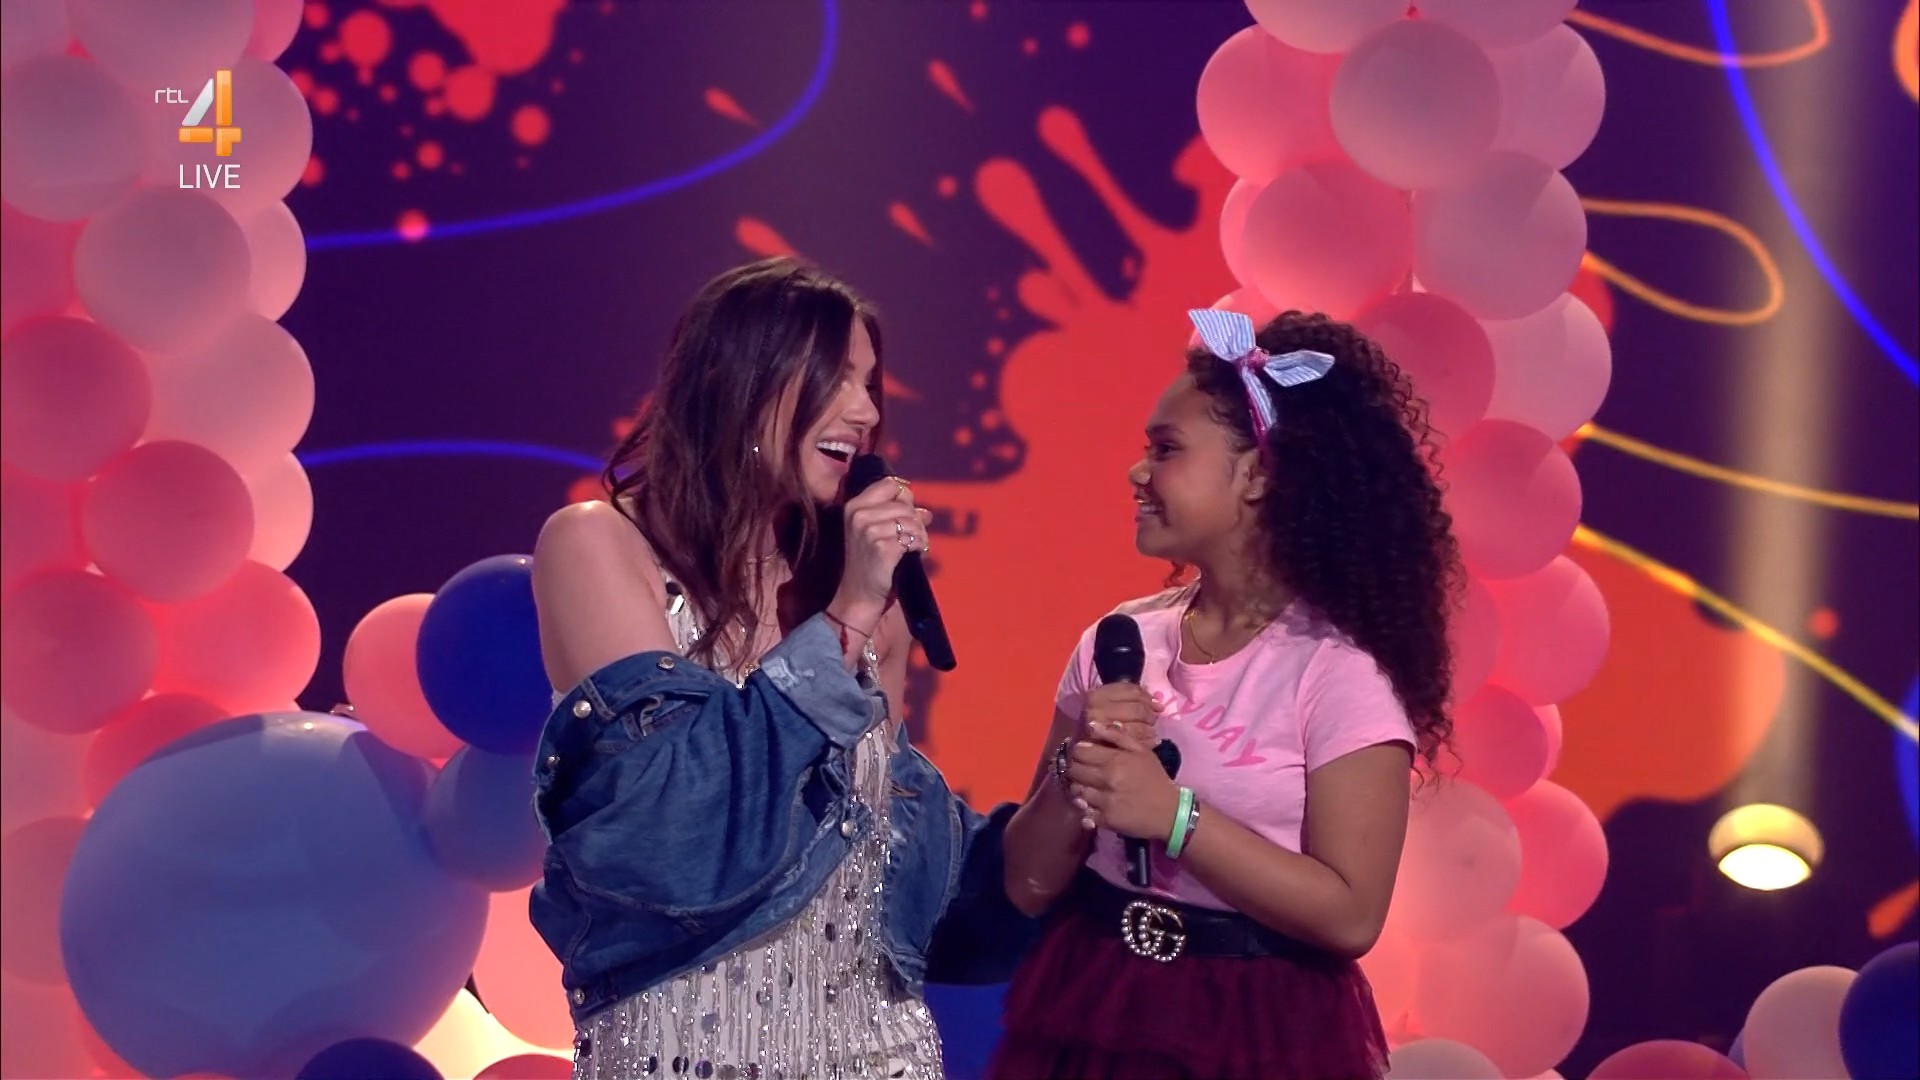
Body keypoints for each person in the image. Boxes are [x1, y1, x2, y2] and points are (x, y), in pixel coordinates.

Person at [528, 257, 1026, 1080]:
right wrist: (848, 616)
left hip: (879, 1055)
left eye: (870, 383)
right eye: (838, 378)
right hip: (682, 1054)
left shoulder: (857, 603)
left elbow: (877, 855)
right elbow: (677, 828)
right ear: (743, 383)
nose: (866, 412)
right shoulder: (598, 545)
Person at [989, 308, 1462, 1080]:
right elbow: (1025, 883)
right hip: (1093, 997)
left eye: (1166, 449)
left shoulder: (1337, 673)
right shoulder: (1118, 639)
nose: (1137, 473)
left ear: (1257, 475)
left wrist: (1174, 816)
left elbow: (1351, 914)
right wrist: (1079, 773)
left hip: (1257, 1026)